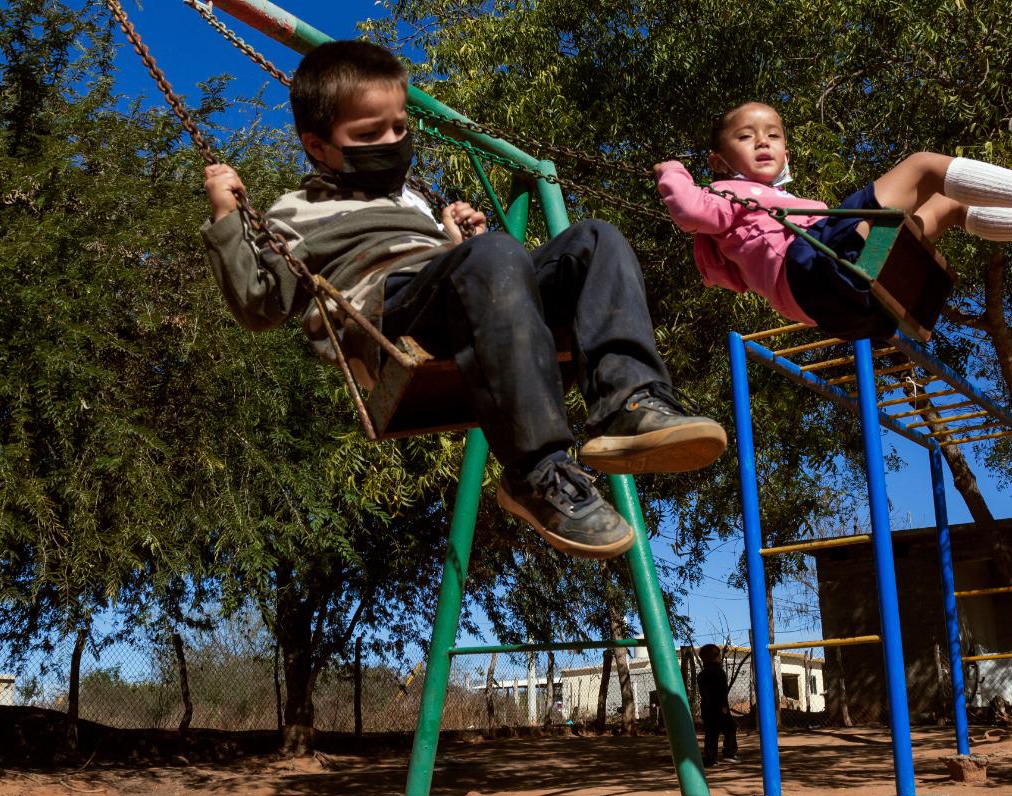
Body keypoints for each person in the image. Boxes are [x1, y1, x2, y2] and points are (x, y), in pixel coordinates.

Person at [200, 41, 726, 561]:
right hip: (384, 315)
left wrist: (458, 244)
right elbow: (258, 305)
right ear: (317, 146)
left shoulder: (410, 200)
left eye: (400, 128)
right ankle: (536, 471)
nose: (392, 141)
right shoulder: (294, 212)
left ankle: (629, 404)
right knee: (492, 253)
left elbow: (467, 281)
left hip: (445, 294)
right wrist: (227, 217)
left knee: (595, 240)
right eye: (368, 134)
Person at [655, 102, 1012, 340]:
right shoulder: (727, 192)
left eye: (774, 134)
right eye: (746, 136)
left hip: (845, 302)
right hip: (817, 269)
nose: (763, 141)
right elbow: (689, 209)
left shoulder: (776, 205)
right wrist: (672, 169)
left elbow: (743, 269)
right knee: (923, 167)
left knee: (950, 208)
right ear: (718, 161)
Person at [696, 644, 738, 767]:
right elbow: (721, 692)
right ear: (716, 657)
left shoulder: (702, 675)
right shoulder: (719, 672)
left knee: (711, 733)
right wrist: (724, 706)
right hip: (719, 707)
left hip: (707, 708)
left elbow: (705, 693)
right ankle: (729, 753)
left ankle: (711, 759)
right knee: (730, 727)